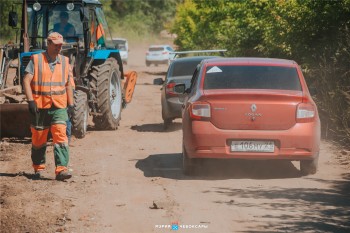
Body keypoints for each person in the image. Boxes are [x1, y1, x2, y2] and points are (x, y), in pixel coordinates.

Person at [23, 32, 74, 181]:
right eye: (56, 45)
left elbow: (68, 85)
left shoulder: (65, 61)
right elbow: (26, 80)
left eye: (60, 46)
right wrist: (30, 101)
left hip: (59, 105)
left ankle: (61, 170)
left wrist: (71, 104)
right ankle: (38, 168)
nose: (59, 48)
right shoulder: (36, 59)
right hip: (39, 105)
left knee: (60, 135)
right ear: (48, 43)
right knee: (39, 138)